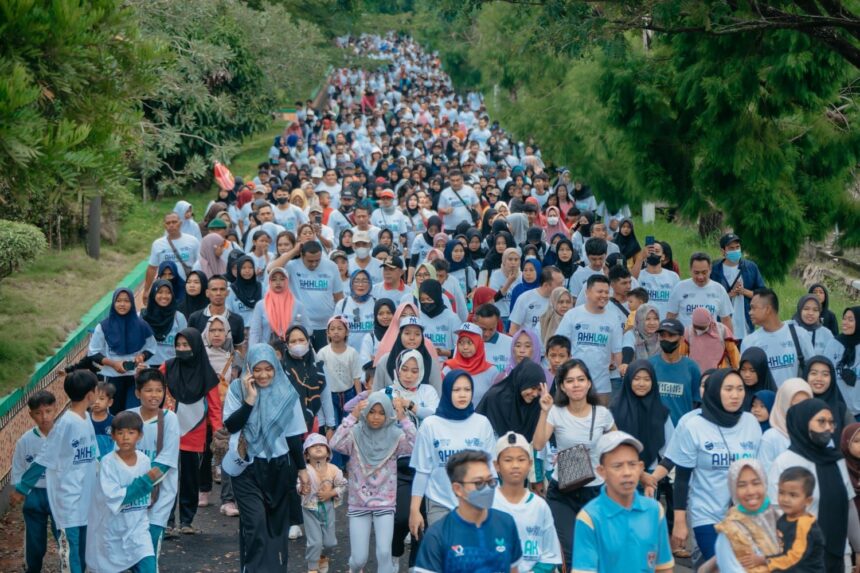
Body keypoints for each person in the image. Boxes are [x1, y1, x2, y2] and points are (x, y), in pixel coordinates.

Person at [221, 344, 310, 572]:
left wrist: (301, 469)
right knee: (256, 524)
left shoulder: (287, 392)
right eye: (257, 369)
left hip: (280, 467)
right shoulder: (237, 390)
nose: (263, 375)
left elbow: (293, 436)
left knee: (276, 529)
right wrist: (250, 401)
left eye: (268, 369)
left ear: (276, 368)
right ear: (249, 368)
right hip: (247, 468)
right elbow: (231, 425)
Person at [668, 368, 762, 561]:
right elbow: (682, 478)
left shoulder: (751, 422)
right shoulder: (694, 426)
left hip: (744, 515)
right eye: (728, 389)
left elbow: (758, 473)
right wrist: (679, 522)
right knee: (720, 564)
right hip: (706, 515)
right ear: (714, 391)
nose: (735, 395)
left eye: (739, 388)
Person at [532, 359, 616, 567]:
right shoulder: (556, 412)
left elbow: (617, 448)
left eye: (581, 379)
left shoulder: (602, 414)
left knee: (595, 552)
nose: (576, 385)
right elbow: (539, 443)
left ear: (589, 383)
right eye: (570, 381)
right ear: (562, 386)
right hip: (563, 492)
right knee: (571, 552)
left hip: (595, 493)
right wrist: (544, 411)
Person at [13, 370, 99, 573]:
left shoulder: (86, 418)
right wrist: (22, 488)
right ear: (90, 393)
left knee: (82, 552)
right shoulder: (66, 424)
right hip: (68, 501)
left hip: (85, 500)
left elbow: (94, 457)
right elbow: (43, 459)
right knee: (71, 553)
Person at [768, 398, 860, 571]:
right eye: (821, 421)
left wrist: (859, 549)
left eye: (831, 423)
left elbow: (848, 507)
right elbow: (775, 515)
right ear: (803, 422)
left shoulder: (836, 460)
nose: (828, 428)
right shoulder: (785, 462)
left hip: (839, 555)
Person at [330, 390, 416, 573]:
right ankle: (353, 569)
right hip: (358, 504)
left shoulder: (396, 436)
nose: (376, 417)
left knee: (384, 553)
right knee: (359, 559)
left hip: (385, 502)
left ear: (388, 413)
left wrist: (403, 419)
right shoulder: (355, 433)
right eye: (372, 411)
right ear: (365, 411)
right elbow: (335, 444)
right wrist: (352, 417)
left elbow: (417, 446)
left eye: (382, 412)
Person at [572, 432, 675, 573]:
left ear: (640, 467)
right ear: (602, 471)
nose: (627, 472)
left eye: (632, 464)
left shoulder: (655, 511)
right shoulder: (589, 518)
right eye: (617, 466)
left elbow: (664, 568)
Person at [409, 370, 496, 534]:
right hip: (439, 504)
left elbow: (491, 469)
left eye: (467, 389)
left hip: (475, 504)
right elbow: (422, 471)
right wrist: (414, 510)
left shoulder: (482, 423)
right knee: (445, 556)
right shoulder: (430, 425)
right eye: (456, 390)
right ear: (448, 391)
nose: (462, 395)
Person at [413, 449, 523, 573]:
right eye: (479, 483)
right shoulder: (437, 535)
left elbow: (513, 569)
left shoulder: (506, 523)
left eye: (490, 481)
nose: (487, 488)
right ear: (458, 489)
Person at [161, 327, 222, 533]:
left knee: (190, 479)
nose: (181, 349)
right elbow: (152, 390)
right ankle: (167, 521)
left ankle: (187, 521)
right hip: (169, 433)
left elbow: (214, 407)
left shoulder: (207, 374)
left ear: (195, 346)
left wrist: (218, 433)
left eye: (186, 345)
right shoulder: (167, 367)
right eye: (178, 345)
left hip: (195, 434)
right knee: (167, 479)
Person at [85, 411, 160, 573]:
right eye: (120, 432)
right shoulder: (108, 463)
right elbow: (116, 497)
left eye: (131, 432)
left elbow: (147, 497)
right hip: (112, 531)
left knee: (148, 567)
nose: (126, 437)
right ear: (112, 436)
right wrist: (146, 481)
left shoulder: (145, 461)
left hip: (138, 530)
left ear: (140, 435)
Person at [128, 368, 180, 561]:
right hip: (131, 498)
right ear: (137, 393)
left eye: (159, 390)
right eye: (149, 390)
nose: (154, 395)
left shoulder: (169, 419)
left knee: (149, 548)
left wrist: (138, 489)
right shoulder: (128, 417)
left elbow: (165, 461)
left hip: (159, 495)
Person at [491, 432, 563, 573]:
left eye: (521, 459)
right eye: (508, 460)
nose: (515, 465)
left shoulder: (540, 506)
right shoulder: (487, 504)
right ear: (496, 465)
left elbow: (550, 556)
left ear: (530, 464)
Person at [556, 275, 623, 403]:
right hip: (574, 384)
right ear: (587, 292)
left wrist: (622, 371)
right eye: (599, 291)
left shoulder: (614, 318)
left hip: (601, 386)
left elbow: (617, 352)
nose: (604, 295)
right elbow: (559, 346)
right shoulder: (572, 315)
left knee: (599, 421)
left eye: (606, 292)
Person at [88, 288, 156, 413]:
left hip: (135, 377)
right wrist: (113, 364)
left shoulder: (142, 325)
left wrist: (141, 357)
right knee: (114, 414)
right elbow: (93, 353)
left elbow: (152, 348)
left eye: (126, 301)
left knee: (133, 412)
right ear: (113, 303)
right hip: (112, 377)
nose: (122, 304)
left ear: (132, 303)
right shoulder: (103, 327)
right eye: (118, 301)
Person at [11, 390, 58, 573]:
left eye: (47, 411)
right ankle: (33, 569)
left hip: (58, 493)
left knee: (62, 536)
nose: (44, 417)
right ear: (31, 414)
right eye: (38, 413)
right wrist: (23, 493)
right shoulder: (25, 441)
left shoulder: (64, 435)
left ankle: (68, 567)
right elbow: (18, 469)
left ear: (55, 409)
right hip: (34, 494)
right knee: (35, 540)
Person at [711, 459, 781, 573]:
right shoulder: (729, 531)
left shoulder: (777, 518)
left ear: (764, 484)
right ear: (733, 489)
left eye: (756, 483)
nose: (750, 491)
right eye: (742, 485)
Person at [742, 288, 815, 386]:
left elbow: (813, 368)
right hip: (766, 400)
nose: (750, 312)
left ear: (768, 309)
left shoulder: (799, 334)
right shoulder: (749, 342)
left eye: (753, 308)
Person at [278, 325, 336, 438]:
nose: (297, 344)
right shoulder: (281, 369)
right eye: (293, 341)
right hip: (291, 426)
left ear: (308, 341)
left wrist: (330, 426)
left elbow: (325, 397)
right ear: (287, 344)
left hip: (318, 423)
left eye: (301, 340)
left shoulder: (319, 368)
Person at [300, 434, 347, 573]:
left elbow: (343, 485)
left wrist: (331, 493)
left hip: (328, 508)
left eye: (322, 445)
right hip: (310, 508)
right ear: (307, 455)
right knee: (315, 541)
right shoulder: (304, 471)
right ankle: (312, 567)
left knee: (330, 542)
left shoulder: (334, 469)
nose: (318, 447)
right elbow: (298, 485)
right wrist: (302, 488)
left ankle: (322, 557)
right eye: (313, 446)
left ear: (328, 453)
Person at [287, 240, 345, 350]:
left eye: (317, 260)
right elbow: (271, 269)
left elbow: (339, 297)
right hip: (300, 326)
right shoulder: (292, 266)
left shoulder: (331, 266)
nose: (314, 264)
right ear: (302, 255)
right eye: (310, 261)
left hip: (326, 326)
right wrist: (293, 251)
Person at [710, 233, 766, 342]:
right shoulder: (715, 269)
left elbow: (762, 294)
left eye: (737, 247)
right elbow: (709, 296)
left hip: (745, 327)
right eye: (731, 248)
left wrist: (744, 291)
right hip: (720, 326)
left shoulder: (750, 267)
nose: (735, 251)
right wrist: (729, 295)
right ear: (723, 251)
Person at [649, 318, 702, 425]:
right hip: (654, 430)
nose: (666, 339)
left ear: (681, 339)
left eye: (671, 335)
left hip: (683, 430)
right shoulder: (650, 365)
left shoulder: (692, 368)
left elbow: (698, 402)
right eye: (662, 335)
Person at [373, 313, 443, 393]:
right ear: (400, 335)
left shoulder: (431, 362)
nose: (412, 338)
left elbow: (438, 395)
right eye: (407, 333)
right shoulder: (385, 361)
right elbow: (376, 394)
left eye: (417, 334)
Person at [666, 252, 733, 331]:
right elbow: (670, 317)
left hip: (711, 340)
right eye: (696, 273)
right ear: (690, 270)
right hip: (686, 341)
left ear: (710, 269)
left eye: (704, 272)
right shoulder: (680, 288)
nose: (700, 277)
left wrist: (730, 341)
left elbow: (726, 320)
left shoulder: (719, 289)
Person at [757, 377, 814, 468]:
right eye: (794, 405)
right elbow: (765, 474)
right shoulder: (771, 438)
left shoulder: (817, 433)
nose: (801, 409)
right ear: (783, 404)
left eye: (806, 404)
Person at [145, 212, 200, 300]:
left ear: (180, 223)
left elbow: (200, 264)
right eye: (168, 223)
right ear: (164, 225)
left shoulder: (193, 241)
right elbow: (152, 268)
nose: (171, 225)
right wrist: (146, 290)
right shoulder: (157, 244)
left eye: (174, 222)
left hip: (189, 287)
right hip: (165, 290)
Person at [443, 322, 497, 405]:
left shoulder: (492, 371)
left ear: (479, 344)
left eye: (469, 342)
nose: (465, 347)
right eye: (461, 342)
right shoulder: (449, 369)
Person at [187, 275, 245, 348]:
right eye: (214, 289)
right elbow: (190, 346)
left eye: (222, 289)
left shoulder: (237, 320)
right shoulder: (195, 318)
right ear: (207, 293)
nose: (218, 293)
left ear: (227, 292)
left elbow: (239, 348)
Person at [248, 267, 300, 346]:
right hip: (266, 351)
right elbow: (255, 332)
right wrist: (253, 351)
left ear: (287, 281)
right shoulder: (261, 305)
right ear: (269, 282)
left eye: (282, 279)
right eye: (274, 279)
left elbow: (307, 329)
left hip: (290, 349)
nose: (278, 283)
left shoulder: (297, 305)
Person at [142, 280, 188, 368]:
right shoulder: (142, 317)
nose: (164, 296)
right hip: (147, 367)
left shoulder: (179, 317)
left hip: (171, 367)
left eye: (168, 293)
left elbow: (184, 344)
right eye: (160, 292)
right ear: (153, 294)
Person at [806, 355, 853, 438]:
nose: (819, 378)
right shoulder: (797, 407)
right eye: (813, 373)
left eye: (825, 374)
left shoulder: (841, 410)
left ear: (832, 379)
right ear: (806, 376)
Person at [826, 306, 860, 416]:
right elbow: (826, 371)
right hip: (838, 410)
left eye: (850, 320)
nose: (845, 322)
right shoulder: (834, 343)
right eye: (844, 318)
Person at [509, 266, 563, 334]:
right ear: (546, 285)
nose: (562, 287)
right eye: (559, 284)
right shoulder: (525, 298)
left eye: (562, 283)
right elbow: (513, 329)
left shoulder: (562, 300)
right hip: (530, 342)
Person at [685, 307, 739, 373]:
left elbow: (733, 352)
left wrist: (737, 370)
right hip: (696, 375)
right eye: (696, 327)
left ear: (709, 322)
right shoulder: (688, 332)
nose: (699, 330)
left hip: (719, 374)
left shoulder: (722, 330)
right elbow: (680, 354)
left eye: (702, 328)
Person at [417, 279, 461, 358]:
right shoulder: (417, 317)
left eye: (429, 299)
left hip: (446, 365)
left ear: (437, 297)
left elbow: (460, 348)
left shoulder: (452, 318)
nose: (426, 303)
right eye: (422, 300)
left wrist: (444, 353)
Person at [636, 241, 679, 318]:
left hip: (664, 325)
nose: (653, 254)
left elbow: (677, 303)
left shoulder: (673, 277)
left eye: (657, 251)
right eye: (651, 251)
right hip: (644, 323)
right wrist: (640, 258)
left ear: (663, 256)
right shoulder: (639, 276)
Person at [336, 269, 377, 351]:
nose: (360, 284)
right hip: (347, 354)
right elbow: (336, 329)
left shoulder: (376, 303)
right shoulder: (342, 304)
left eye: (365, 281)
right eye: (356, 281)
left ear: (370, 284)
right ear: (351, 283)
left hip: (370, 354)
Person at [474, 303, 514, 374]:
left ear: (497, 323)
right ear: (475, 322)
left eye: (491, 329)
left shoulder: (510, 343)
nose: (486, 334)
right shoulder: (465, 344)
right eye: (483, 329)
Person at [226, 255, 262, 326]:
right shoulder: (232, 289)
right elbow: (229, 313)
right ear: (239, 269)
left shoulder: (261, 287)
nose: (247, 271)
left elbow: (266, 310)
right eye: (244, 268)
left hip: (258, 330)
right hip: (239, 330)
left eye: (250, 267)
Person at [359, 298, 395, 368]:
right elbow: (365, 363)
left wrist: (376, 360)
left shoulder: (399, 335)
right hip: (375, 377)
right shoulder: (370, 337)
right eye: (380, 314)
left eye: (389, 313)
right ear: (375, 316)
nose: (385, 317)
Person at [90, 381, 115, 458]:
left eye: (101, 399)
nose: (96, 402)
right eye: (94, 398)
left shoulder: (114, 422)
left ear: (110, 402)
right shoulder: (85, 420)